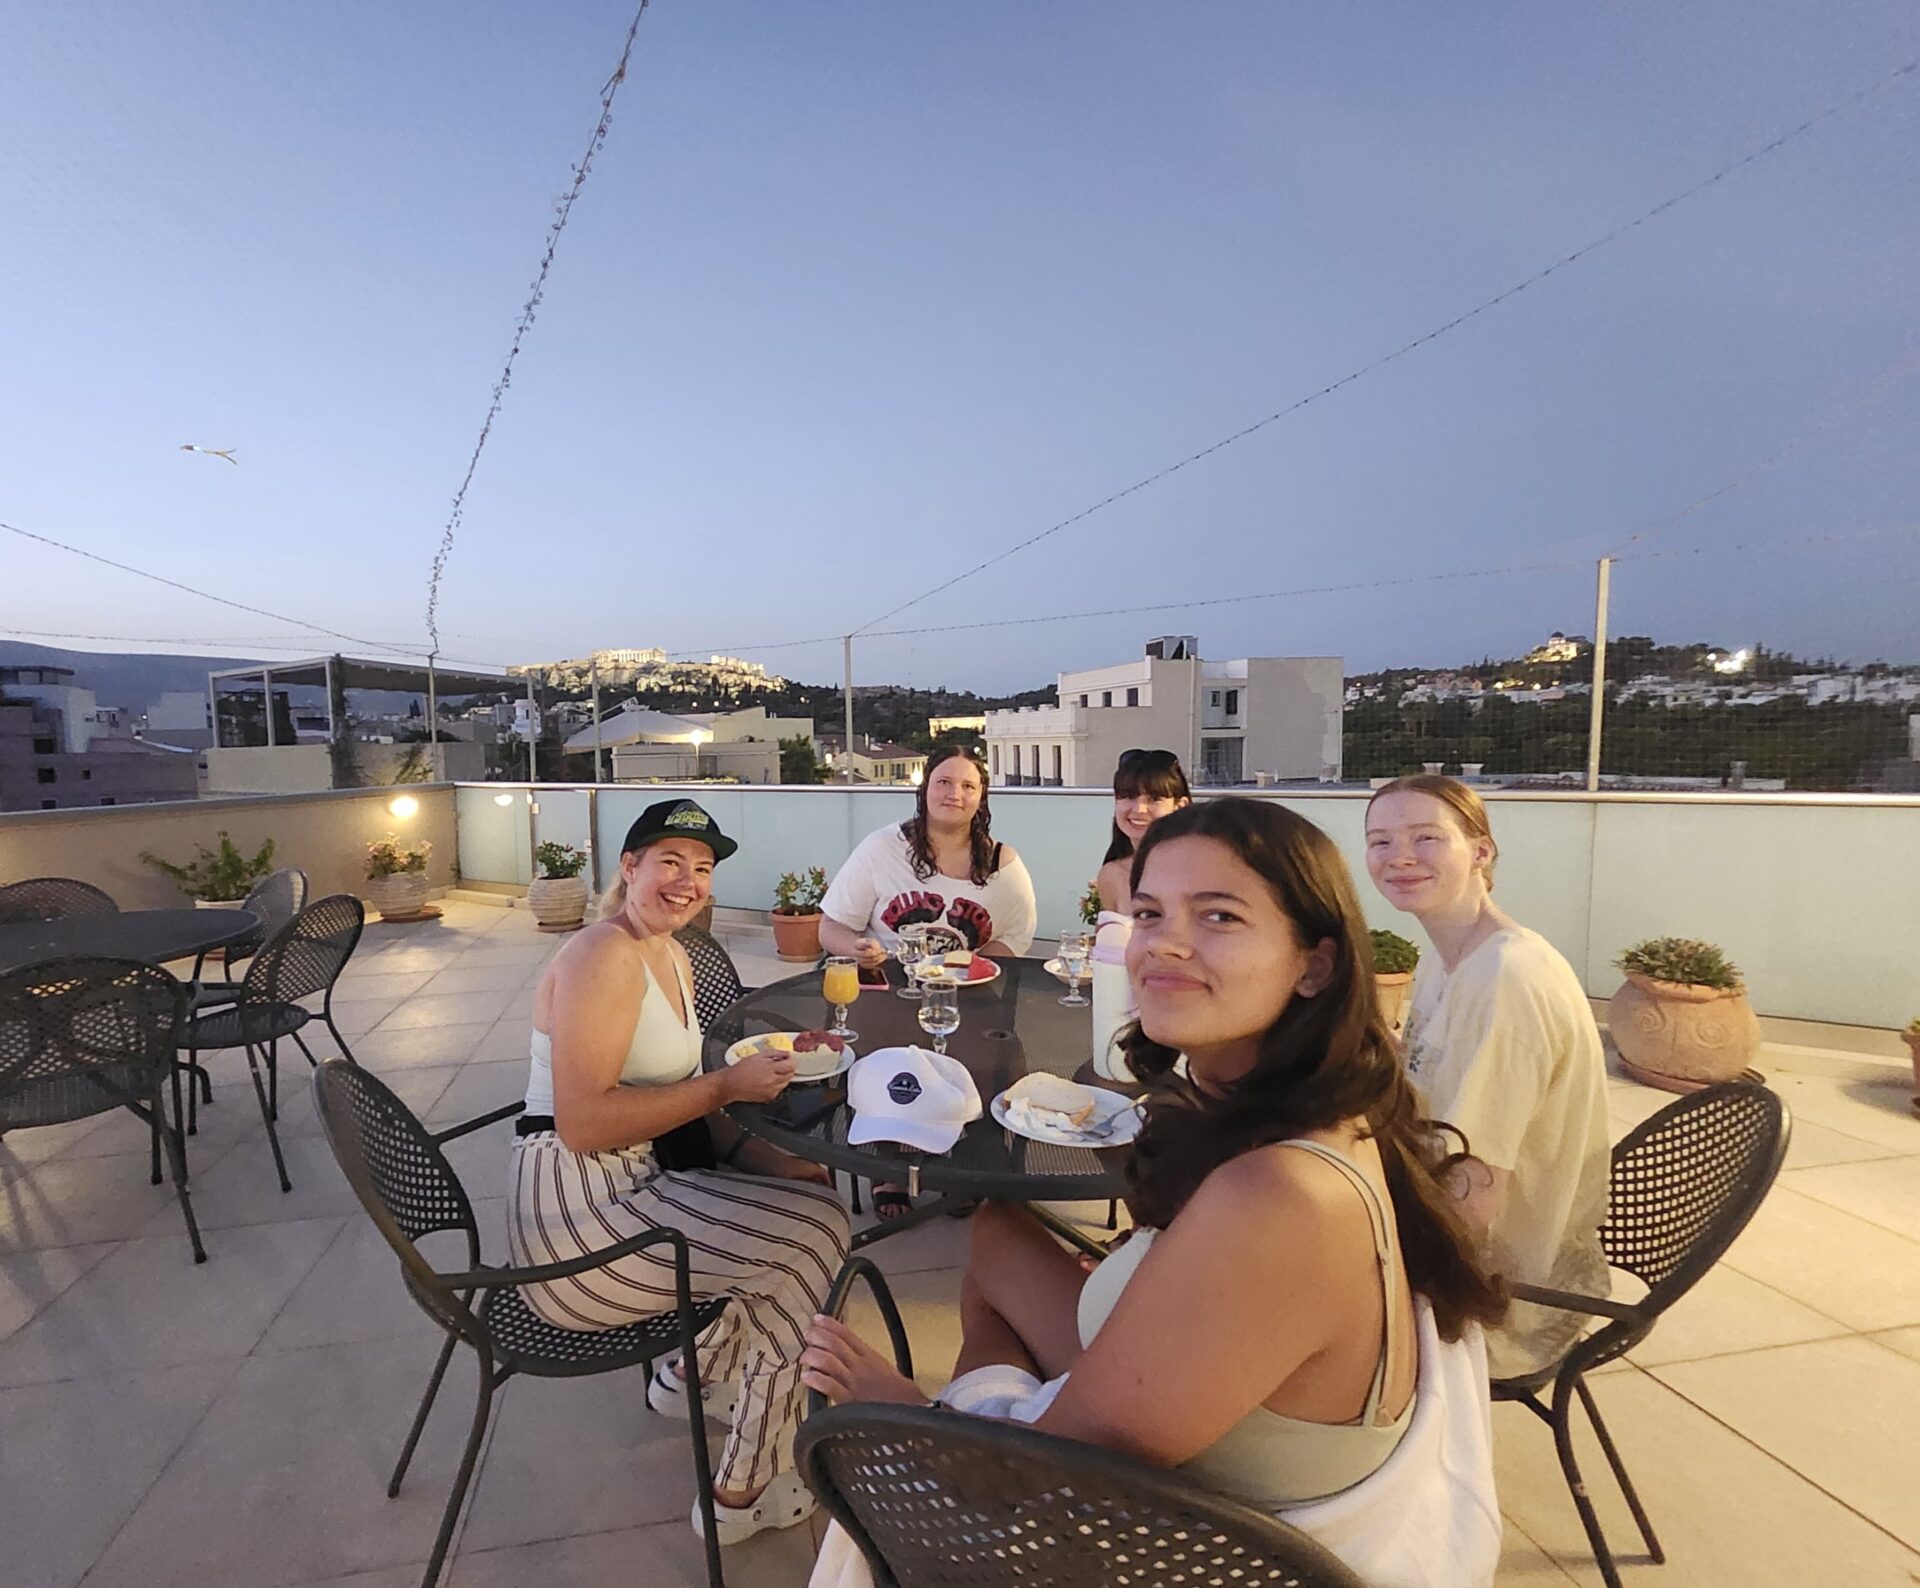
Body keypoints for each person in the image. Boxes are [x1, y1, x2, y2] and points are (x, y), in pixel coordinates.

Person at [802, 798, 1508, 1587]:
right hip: (1217, 1437)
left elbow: (1039, 1484)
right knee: (999, 1232)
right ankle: (989, 1395)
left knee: (867, 1433)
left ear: (1314, 964)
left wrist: (903, 1409)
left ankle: (971, 1409)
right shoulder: (1321, 1107)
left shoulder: (1278, 1198)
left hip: (1180, 1540)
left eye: (1219, 916)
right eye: (1148, 913)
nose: (1165, 943)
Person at [507, 797, 850, 1546]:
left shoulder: (671, 952)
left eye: (701, 867)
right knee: (814, 1239)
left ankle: (690, 1375)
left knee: (802, 1197)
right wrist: (727, 1087)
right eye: (669, 861)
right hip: (576, 1226)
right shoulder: (602, 954)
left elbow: (678, 1103)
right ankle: (741, 1489)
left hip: (633, 1182)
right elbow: (583, 1123)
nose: (687, 881)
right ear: (629, 867)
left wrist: (772, 1160)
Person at [1363, 772, 1611, 1381]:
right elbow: (1423, 1083)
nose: (1399, 857)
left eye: (1426, 837)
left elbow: (1473, 1194)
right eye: (1380, 841)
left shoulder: (1507, 978)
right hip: (1447, 1224)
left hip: (1498, 1293)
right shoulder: (1449, 958)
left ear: (1480, 851)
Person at [819, 745, 1036, 1218]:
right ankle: (891, 1165)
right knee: (889, 1054)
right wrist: (857, 946)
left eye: (967, 785)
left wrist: (976, 968)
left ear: (981, 797)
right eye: (944, 782)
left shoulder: (1002, 863)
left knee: (995, 1055)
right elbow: (830, 926)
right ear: (925, 789)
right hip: (888, 987)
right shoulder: (882, 849)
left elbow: (1015, 938)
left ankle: (968, 1160)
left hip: (966, 993)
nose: (954, 793)